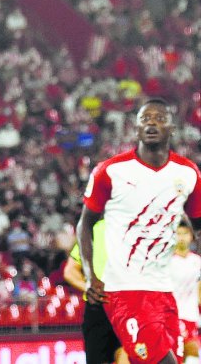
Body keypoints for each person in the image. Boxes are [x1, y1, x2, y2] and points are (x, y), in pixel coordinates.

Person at [78, 99, 201, 364]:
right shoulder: (111, 171)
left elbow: (198, 223)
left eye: (159, 118)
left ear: (172, 128)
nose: (152, 123)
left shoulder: (188, 174)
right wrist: (90, 276)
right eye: (145, 119)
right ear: (136, 129)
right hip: (125, 290)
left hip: (165, 292)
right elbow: (85, 223)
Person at [64, 219, 129, 364]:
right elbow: (70, 271)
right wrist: (89, 287)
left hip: (125, 306)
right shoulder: (93, 230)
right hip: (102, 307)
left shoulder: (137, 228)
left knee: (127, 356)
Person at [169, 221, 201, 364]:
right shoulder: (166, 262)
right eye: (178, 234)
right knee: (178, 356)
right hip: (173, 317)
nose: (181, 237)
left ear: (191, 237)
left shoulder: (197, 261)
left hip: (192, 316)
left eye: (185, 233)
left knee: (192, 355)